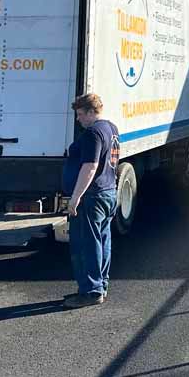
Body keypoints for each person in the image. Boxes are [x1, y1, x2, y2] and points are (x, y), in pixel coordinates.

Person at [62, 93, 120, 309]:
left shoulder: (93, 133)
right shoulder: (111, 128)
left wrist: (75, 198)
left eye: (80, 114)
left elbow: (90, 166)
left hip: (92, 196)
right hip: (108, 192)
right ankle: (100, 285)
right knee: (102, 241)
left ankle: (90, 291)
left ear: (90, 111)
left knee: (86, 244)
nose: (78, 119)